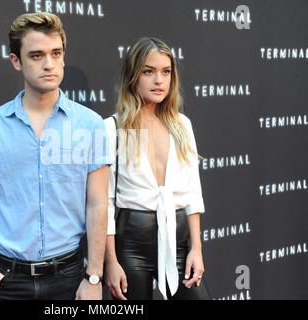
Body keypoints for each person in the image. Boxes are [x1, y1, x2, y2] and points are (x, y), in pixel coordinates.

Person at [0, 12, 110, 300]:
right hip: (6, 279)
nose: (49, 64)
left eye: (56, 53)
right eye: (36, 55)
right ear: (16, 61)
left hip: (69, 278)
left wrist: (94, 276)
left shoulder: (90, 124)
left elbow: (97, 203)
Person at [104, 37, 209, 300]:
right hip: (131, 247)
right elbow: (104, 204)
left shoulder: (181, 125)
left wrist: (196, 248)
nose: (159, 80)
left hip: (179, 243)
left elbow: (192, 193)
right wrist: (111, 262)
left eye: (166, 72)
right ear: (133, 76)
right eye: (148, 72)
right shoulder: (112, 128)